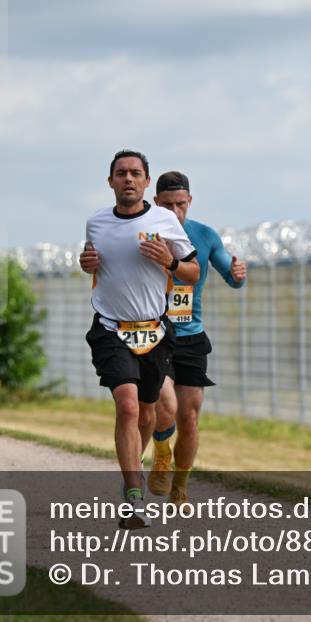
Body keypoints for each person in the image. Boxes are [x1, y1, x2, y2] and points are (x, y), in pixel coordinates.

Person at [79, 151, 200, 529]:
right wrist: (86, 264)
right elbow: (95, 265)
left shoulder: (164, 219)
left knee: (148, 413)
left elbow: (193, 272)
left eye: (135, 173)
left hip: (155, 331)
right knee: (128, 407)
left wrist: (170, 261)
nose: (128, 179)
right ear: (111, 181)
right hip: (111, 328)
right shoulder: (96, 222)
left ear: (147, 181)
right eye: (121, 173)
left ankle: (135, 469)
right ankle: (133, 495)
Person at [147, 170, 247, 505]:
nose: (175, 212)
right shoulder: (143, 233)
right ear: (155, 203)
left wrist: (237, 274)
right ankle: (161, 449)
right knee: (165, 405)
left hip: (191, 336)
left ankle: (181, 485)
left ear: (190, 201)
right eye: (167, 205)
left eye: (181, 205)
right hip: (154, 333)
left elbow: (230, 277)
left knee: (189, 415)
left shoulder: (203, 235)